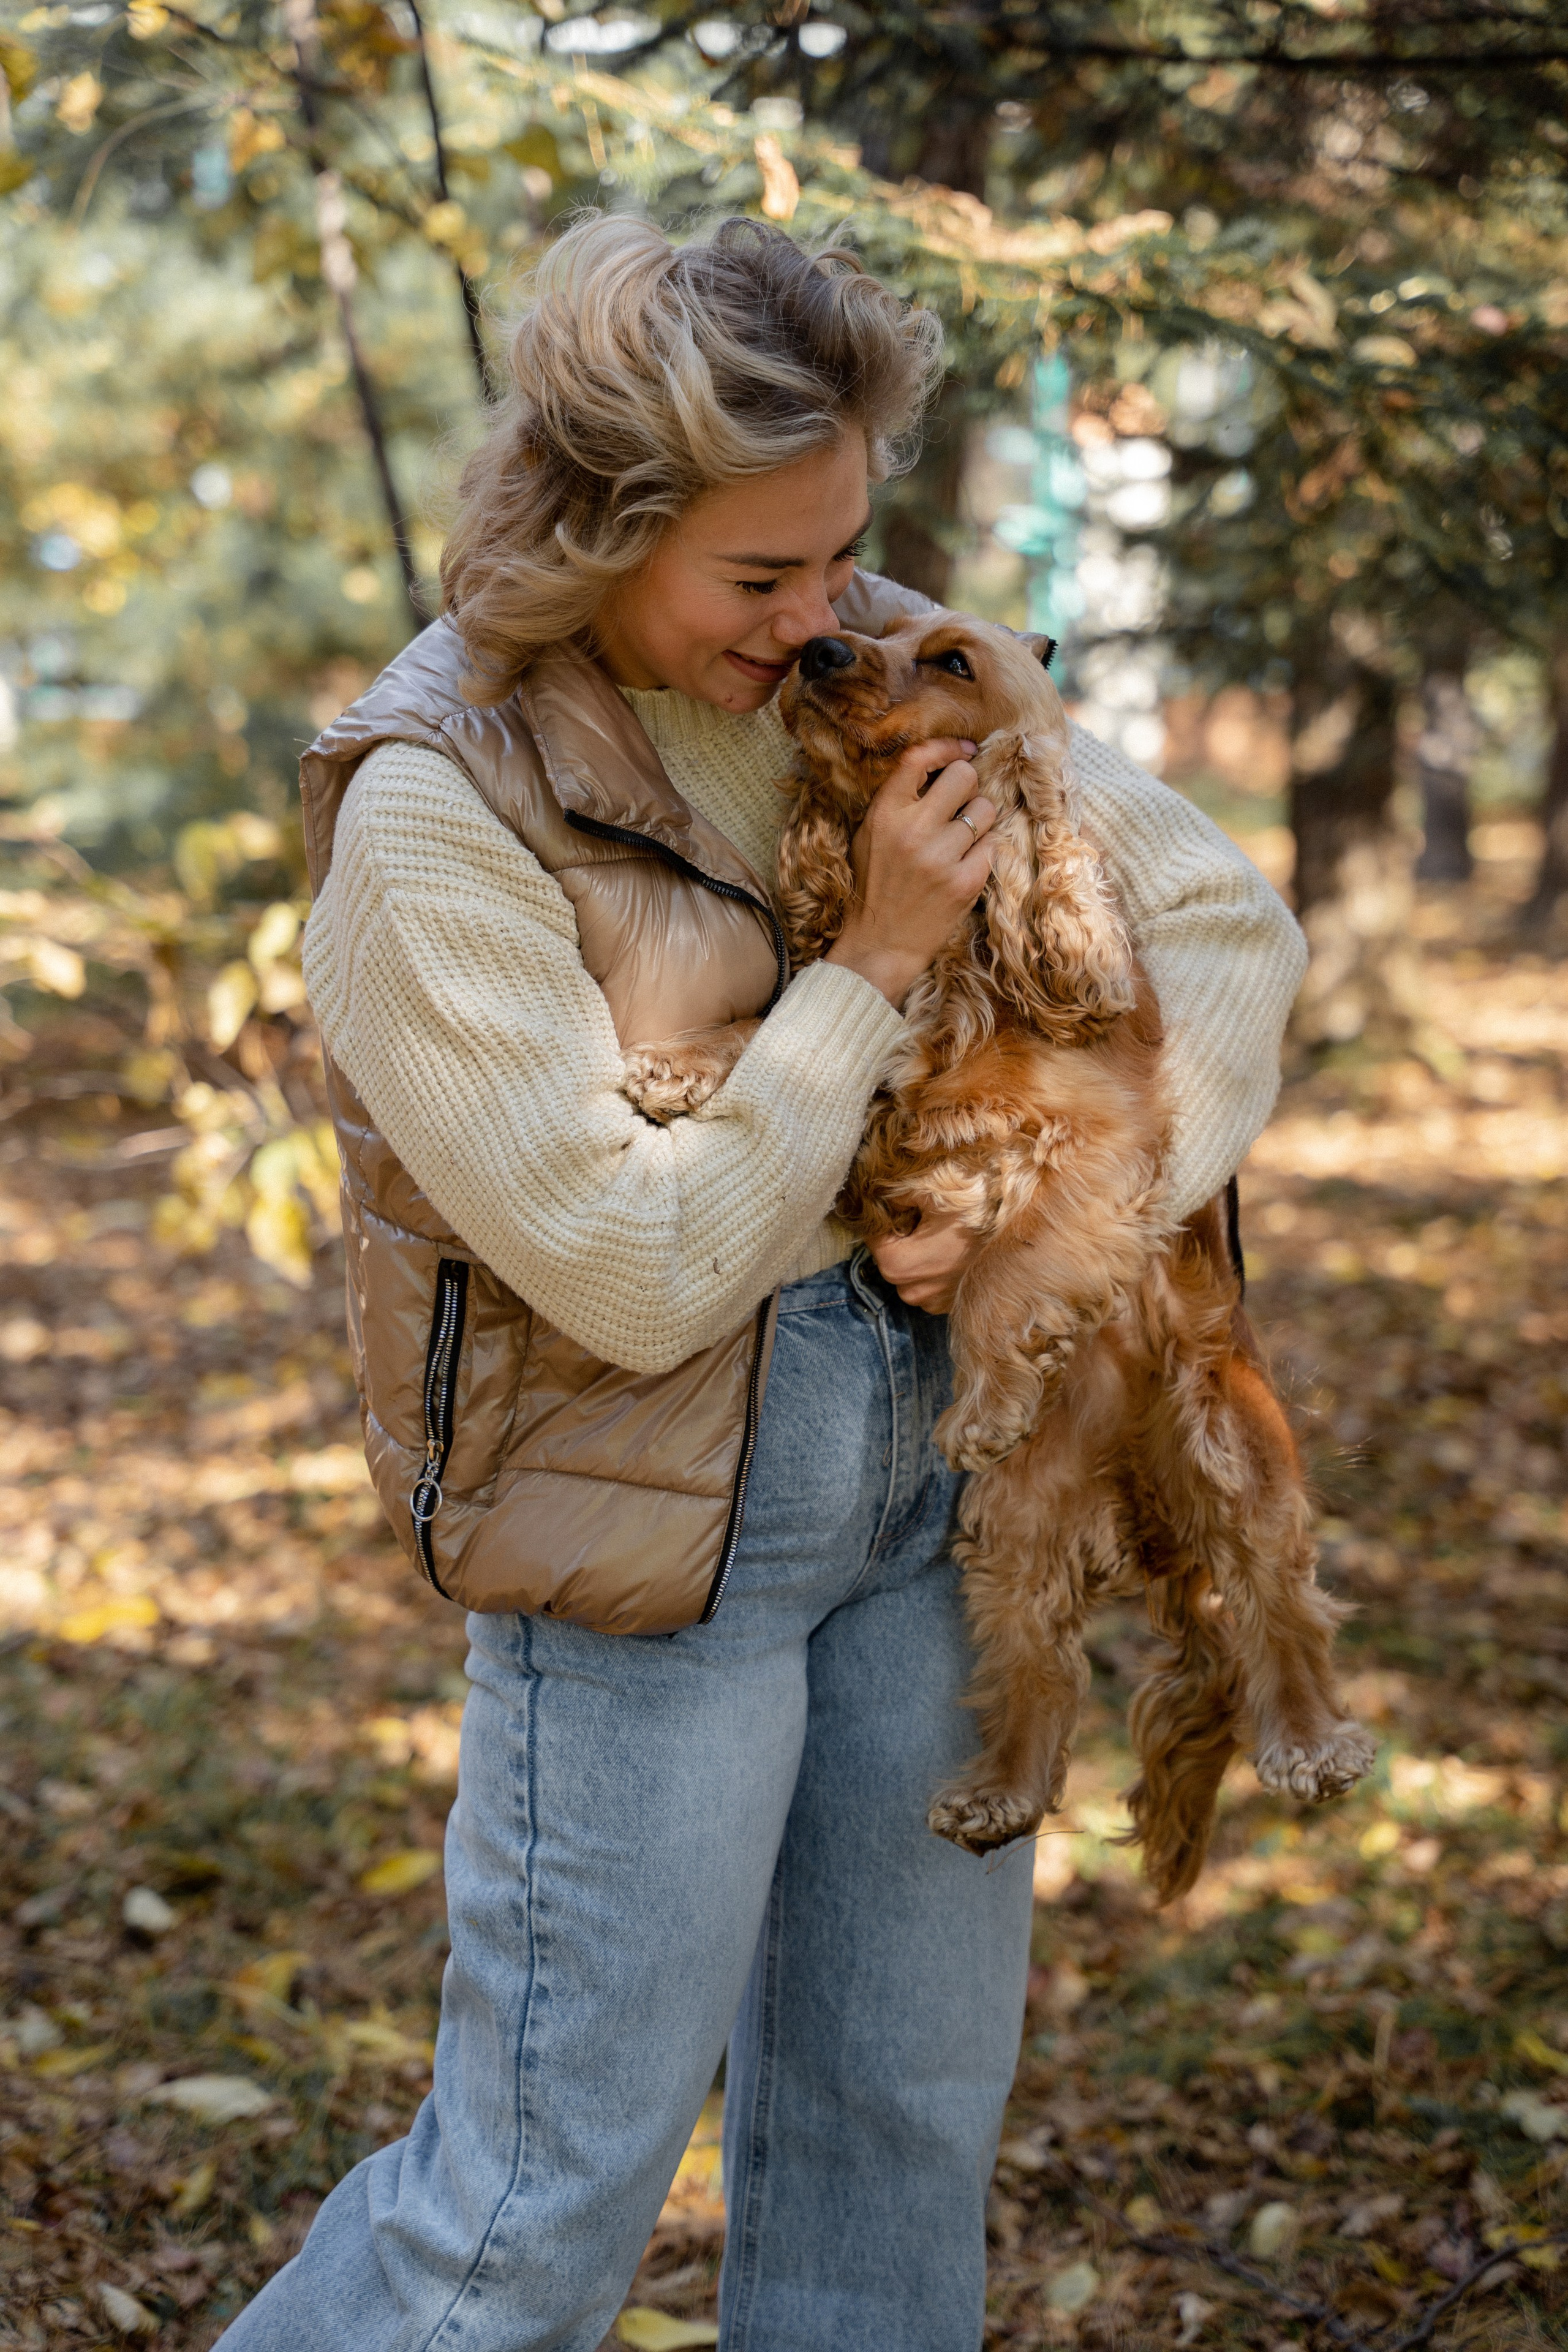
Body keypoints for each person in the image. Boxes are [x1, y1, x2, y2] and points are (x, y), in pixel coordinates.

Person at [221, 213, 1306, 2352]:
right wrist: (878, 968)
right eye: (761, 579)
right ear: (593, 523)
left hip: (946, 1502)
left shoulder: (885, 648)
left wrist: (1051, 1210)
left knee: (899, 2142)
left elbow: (1234, 933)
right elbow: (637, 1272)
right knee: (537, 2206)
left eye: (850, 559)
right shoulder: (435, 810)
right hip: (654, 1537)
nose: (834, 623)